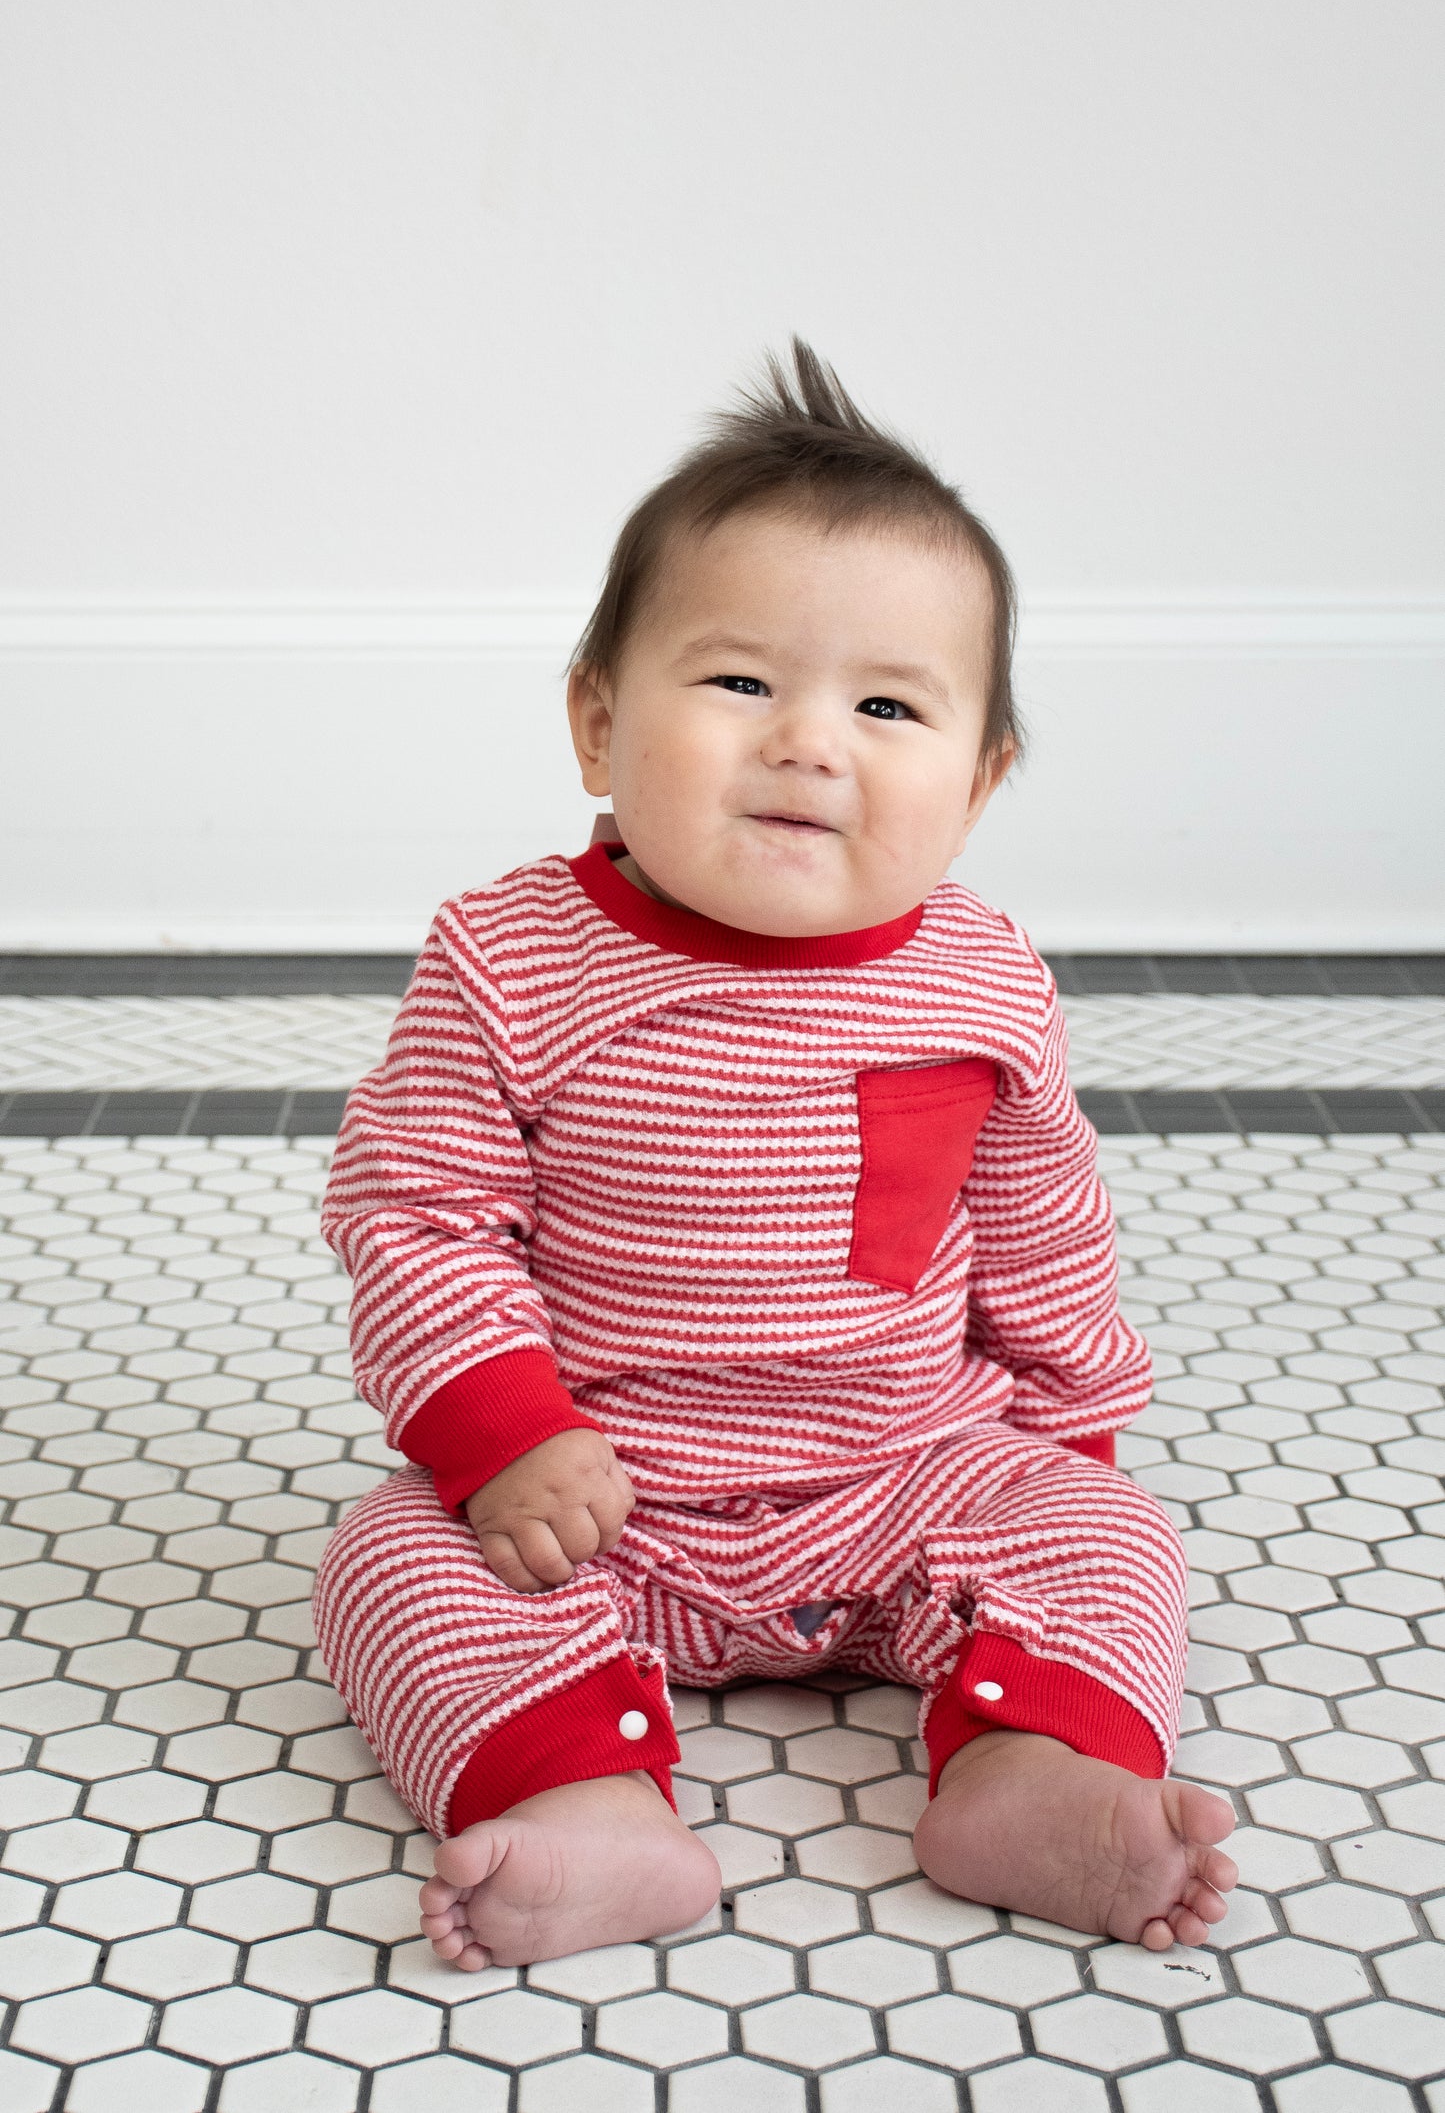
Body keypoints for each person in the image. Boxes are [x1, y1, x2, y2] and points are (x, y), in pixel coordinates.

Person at [314, 341, 1236, 1971]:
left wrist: (1067, 1433)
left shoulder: (980, 978)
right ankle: (583, 1797)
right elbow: (415, 1211)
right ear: (598, 722)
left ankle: (1034, 1768)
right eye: (738, 683)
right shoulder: (511, 960)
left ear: (976, 785)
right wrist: (497, 1432)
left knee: (1111, 1534)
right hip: (601, 1496)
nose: (810, 742)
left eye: (886, 707)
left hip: (904, 1474)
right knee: (391, 1557)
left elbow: (1038, 1222)